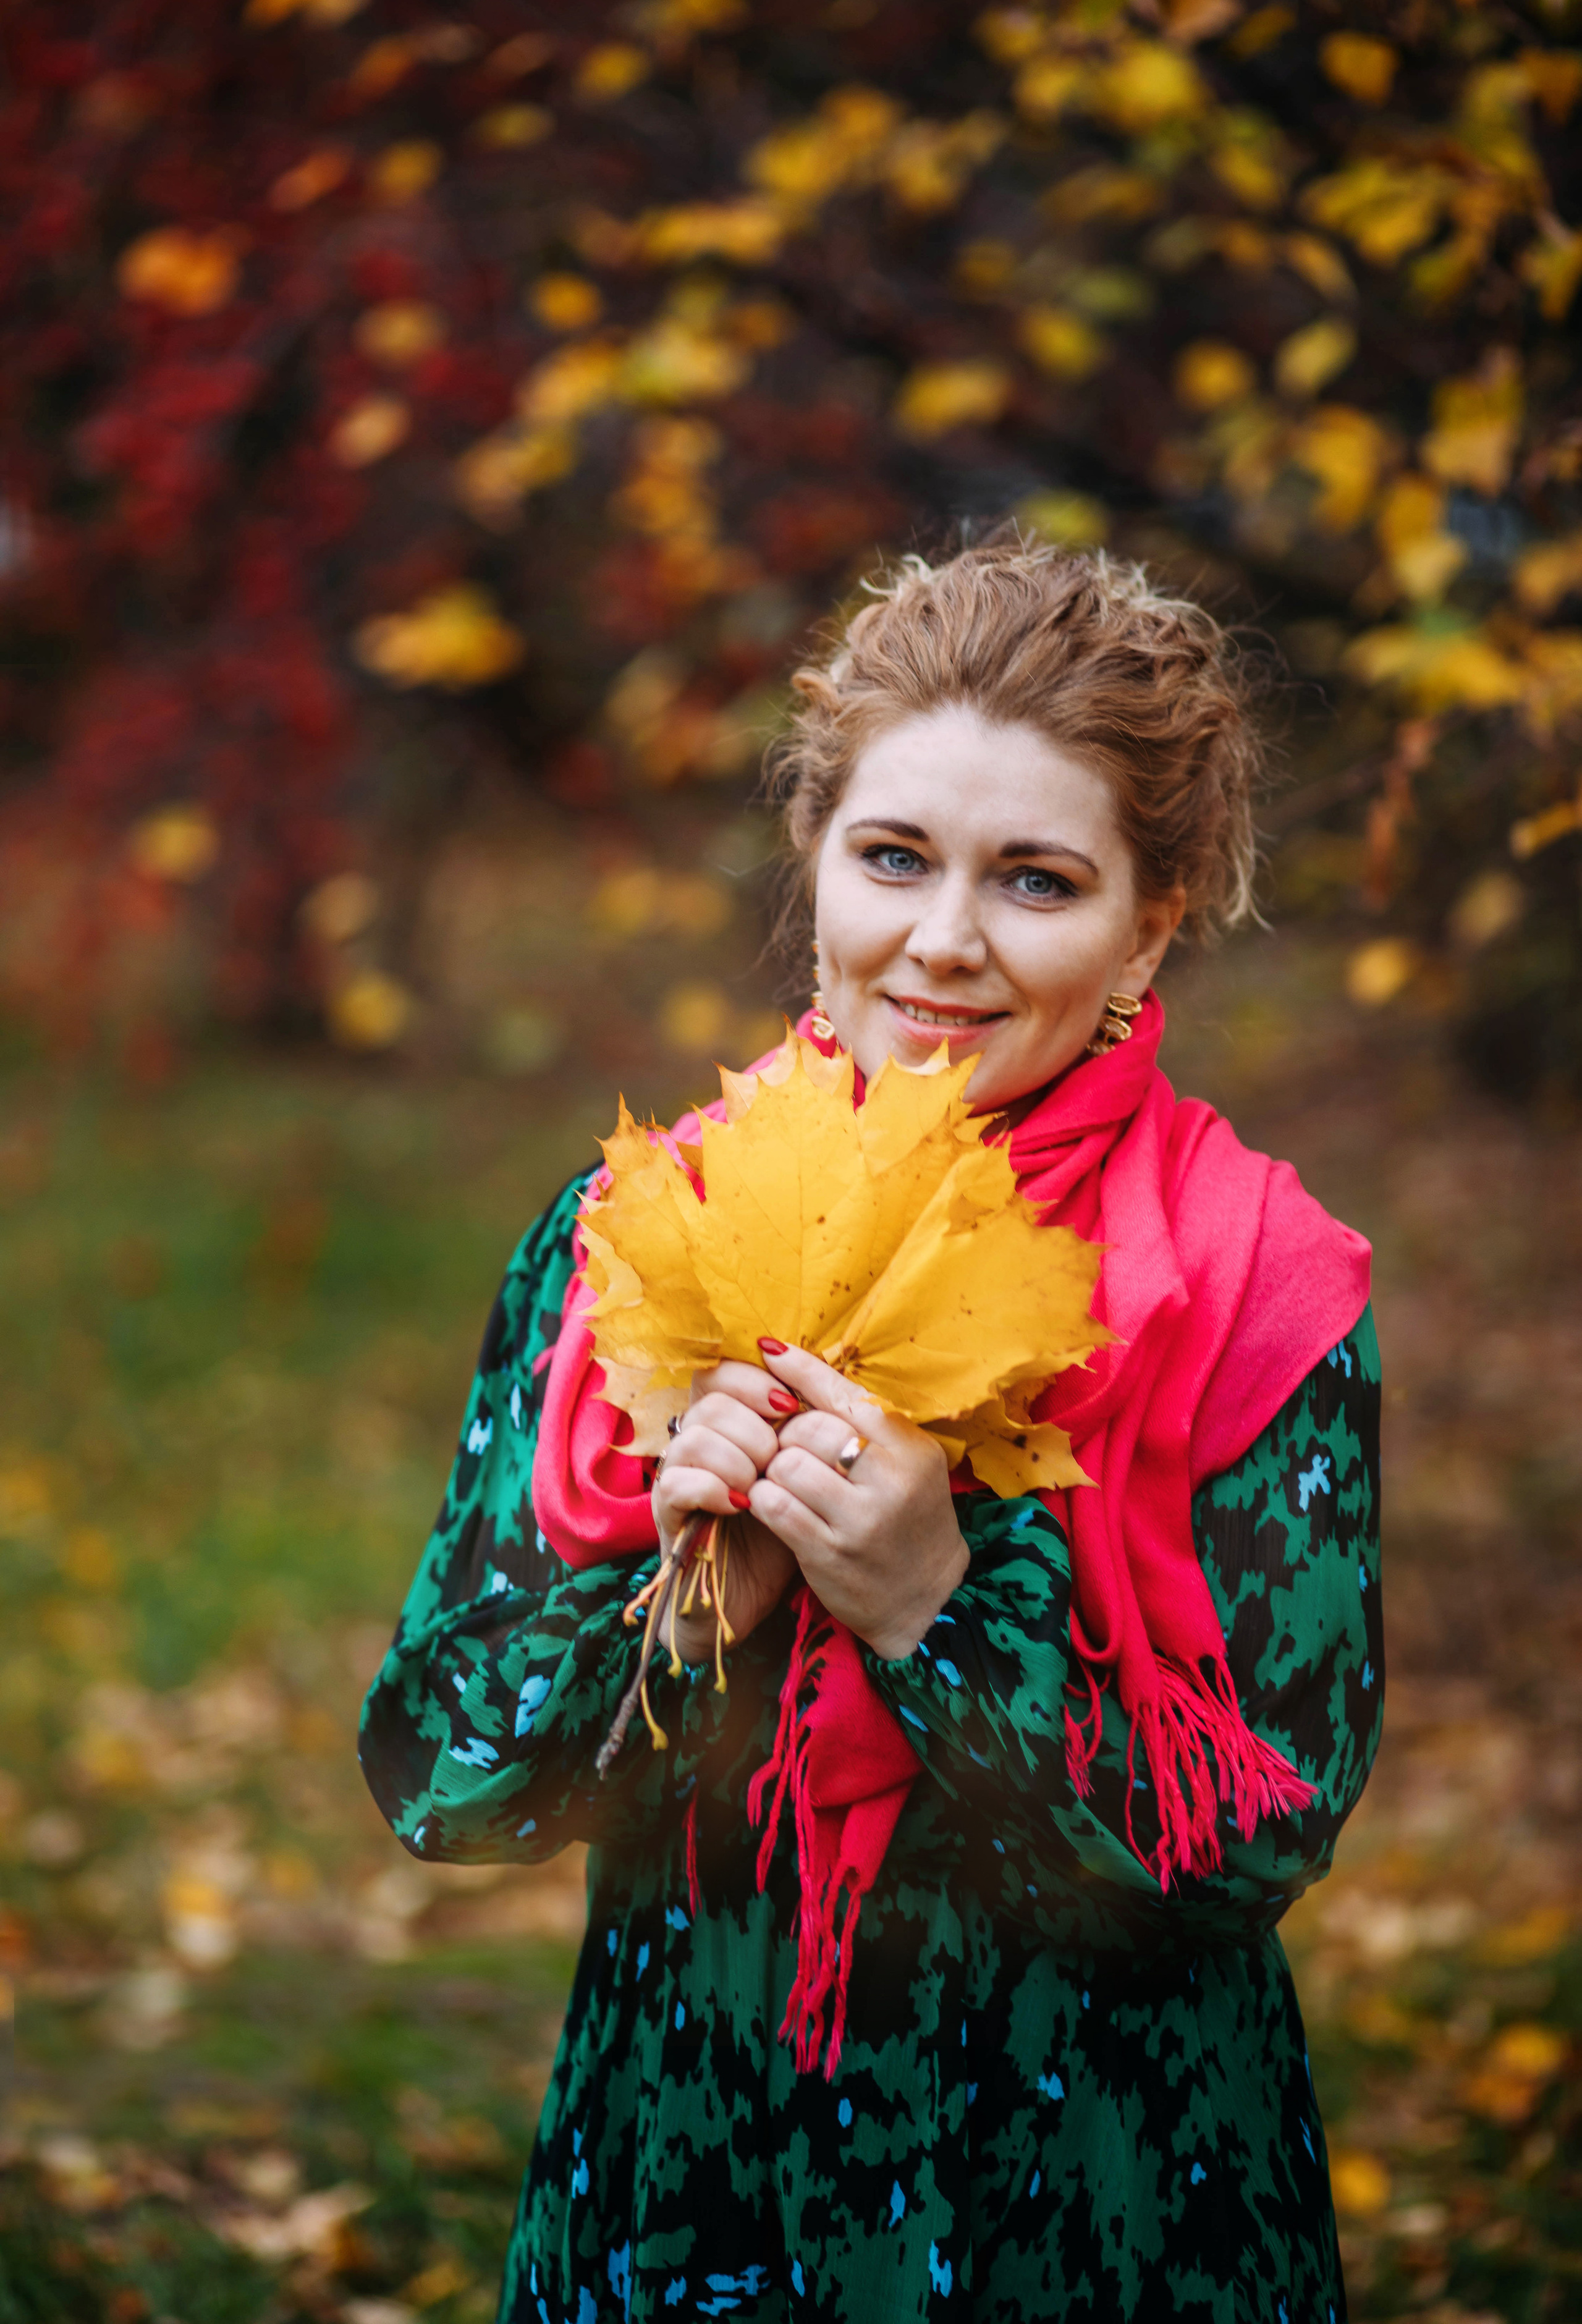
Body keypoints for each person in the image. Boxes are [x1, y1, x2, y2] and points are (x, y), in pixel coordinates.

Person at [361, 542, 1381, 2324]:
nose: (943, 941)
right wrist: (693, 1605)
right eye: (894, 857)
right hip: (691, 2185)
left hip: (1104, 2218)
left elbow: (1256, 1852)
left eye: (1038, 881)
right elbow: (445, 1776)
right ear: (819, 860)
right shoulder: (636, 1241)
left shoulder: (1261, 1290)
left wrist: (935, 1609)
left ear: (1152, 923)